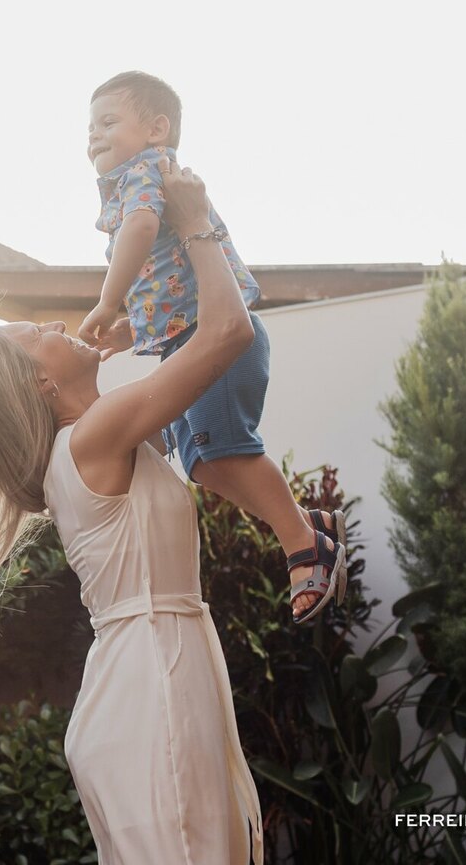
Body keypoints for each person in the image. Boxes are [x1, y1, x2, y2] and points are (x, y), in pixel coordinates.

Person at [0, 157, 264, 864]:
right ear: (41, 380)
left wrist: (144, 309)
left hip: (151, 667)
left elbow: (187, 359)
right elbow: (227, 334)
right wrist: (196, 224)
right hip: (152, 677)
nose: (51, 321)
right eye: (35, 331)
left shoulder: (95, 441)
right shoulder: (93, 440)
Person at [76, 71, 346, 624]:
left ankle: (303, 544)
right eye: (89, 128)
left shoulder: (146, 173)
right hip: (184, 338)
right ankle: (308, 523)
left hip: (215, 339)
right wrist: (134, 327)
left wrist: (106, 302)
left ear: (157, 129)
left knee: (228, 449)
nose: (94, 137)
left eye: (108, 122)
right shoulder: (135, 177)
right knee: (203, 462)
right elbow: (167, 281)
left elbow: (142, 230)